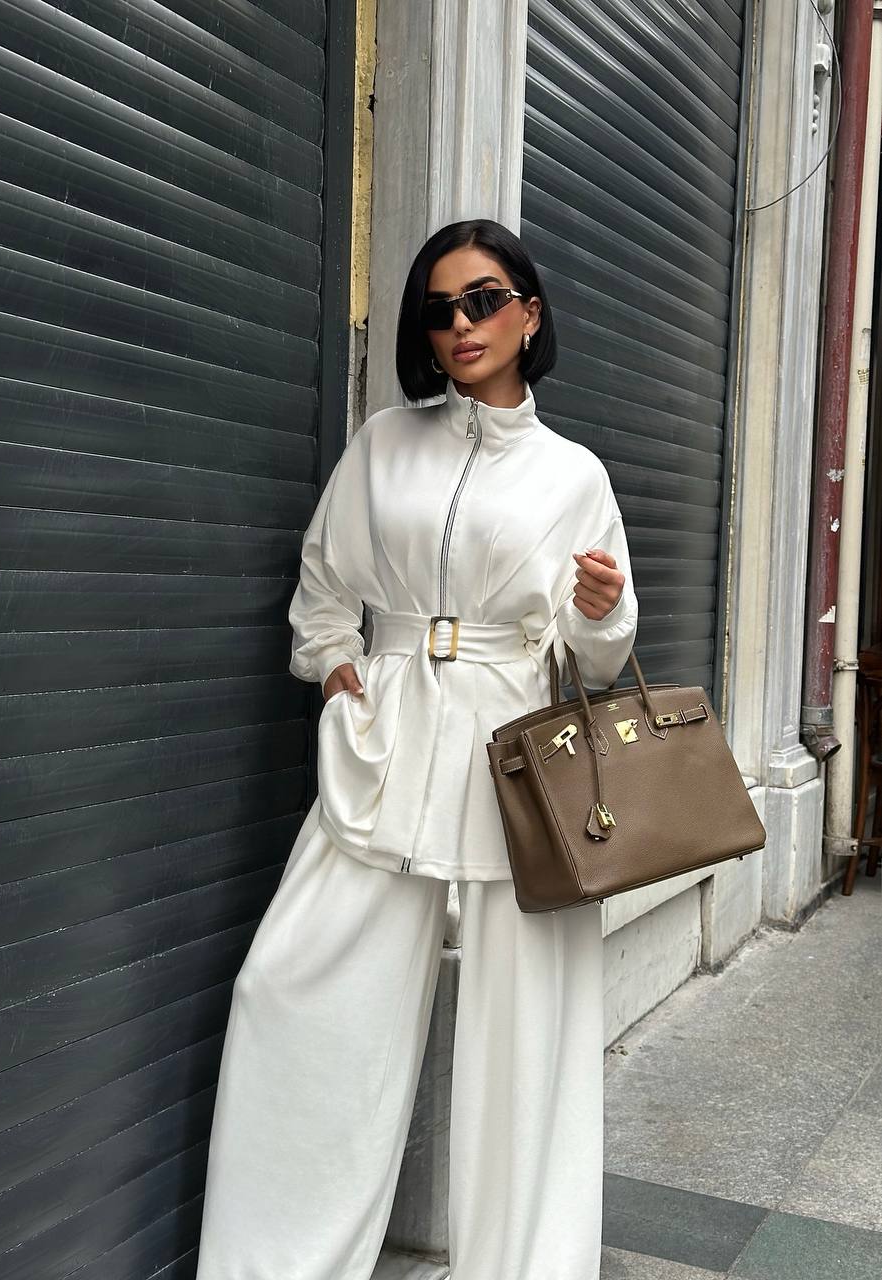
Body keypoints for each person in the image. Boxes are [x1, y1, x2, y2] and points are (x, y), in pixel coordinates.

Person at [195, 218, 639, 1280]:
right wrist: (335, 663)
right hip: (383, 750)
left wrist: (599, 611)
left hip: (515, 759)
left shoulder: (573, 472)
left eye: (483, 299)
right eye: (439, 309)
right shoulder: (383, 444)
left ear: (529, 312)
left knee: (528, 1046)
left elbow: (600, 651)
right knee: (288, 994)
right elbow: (321, 585)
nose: (460, 324)